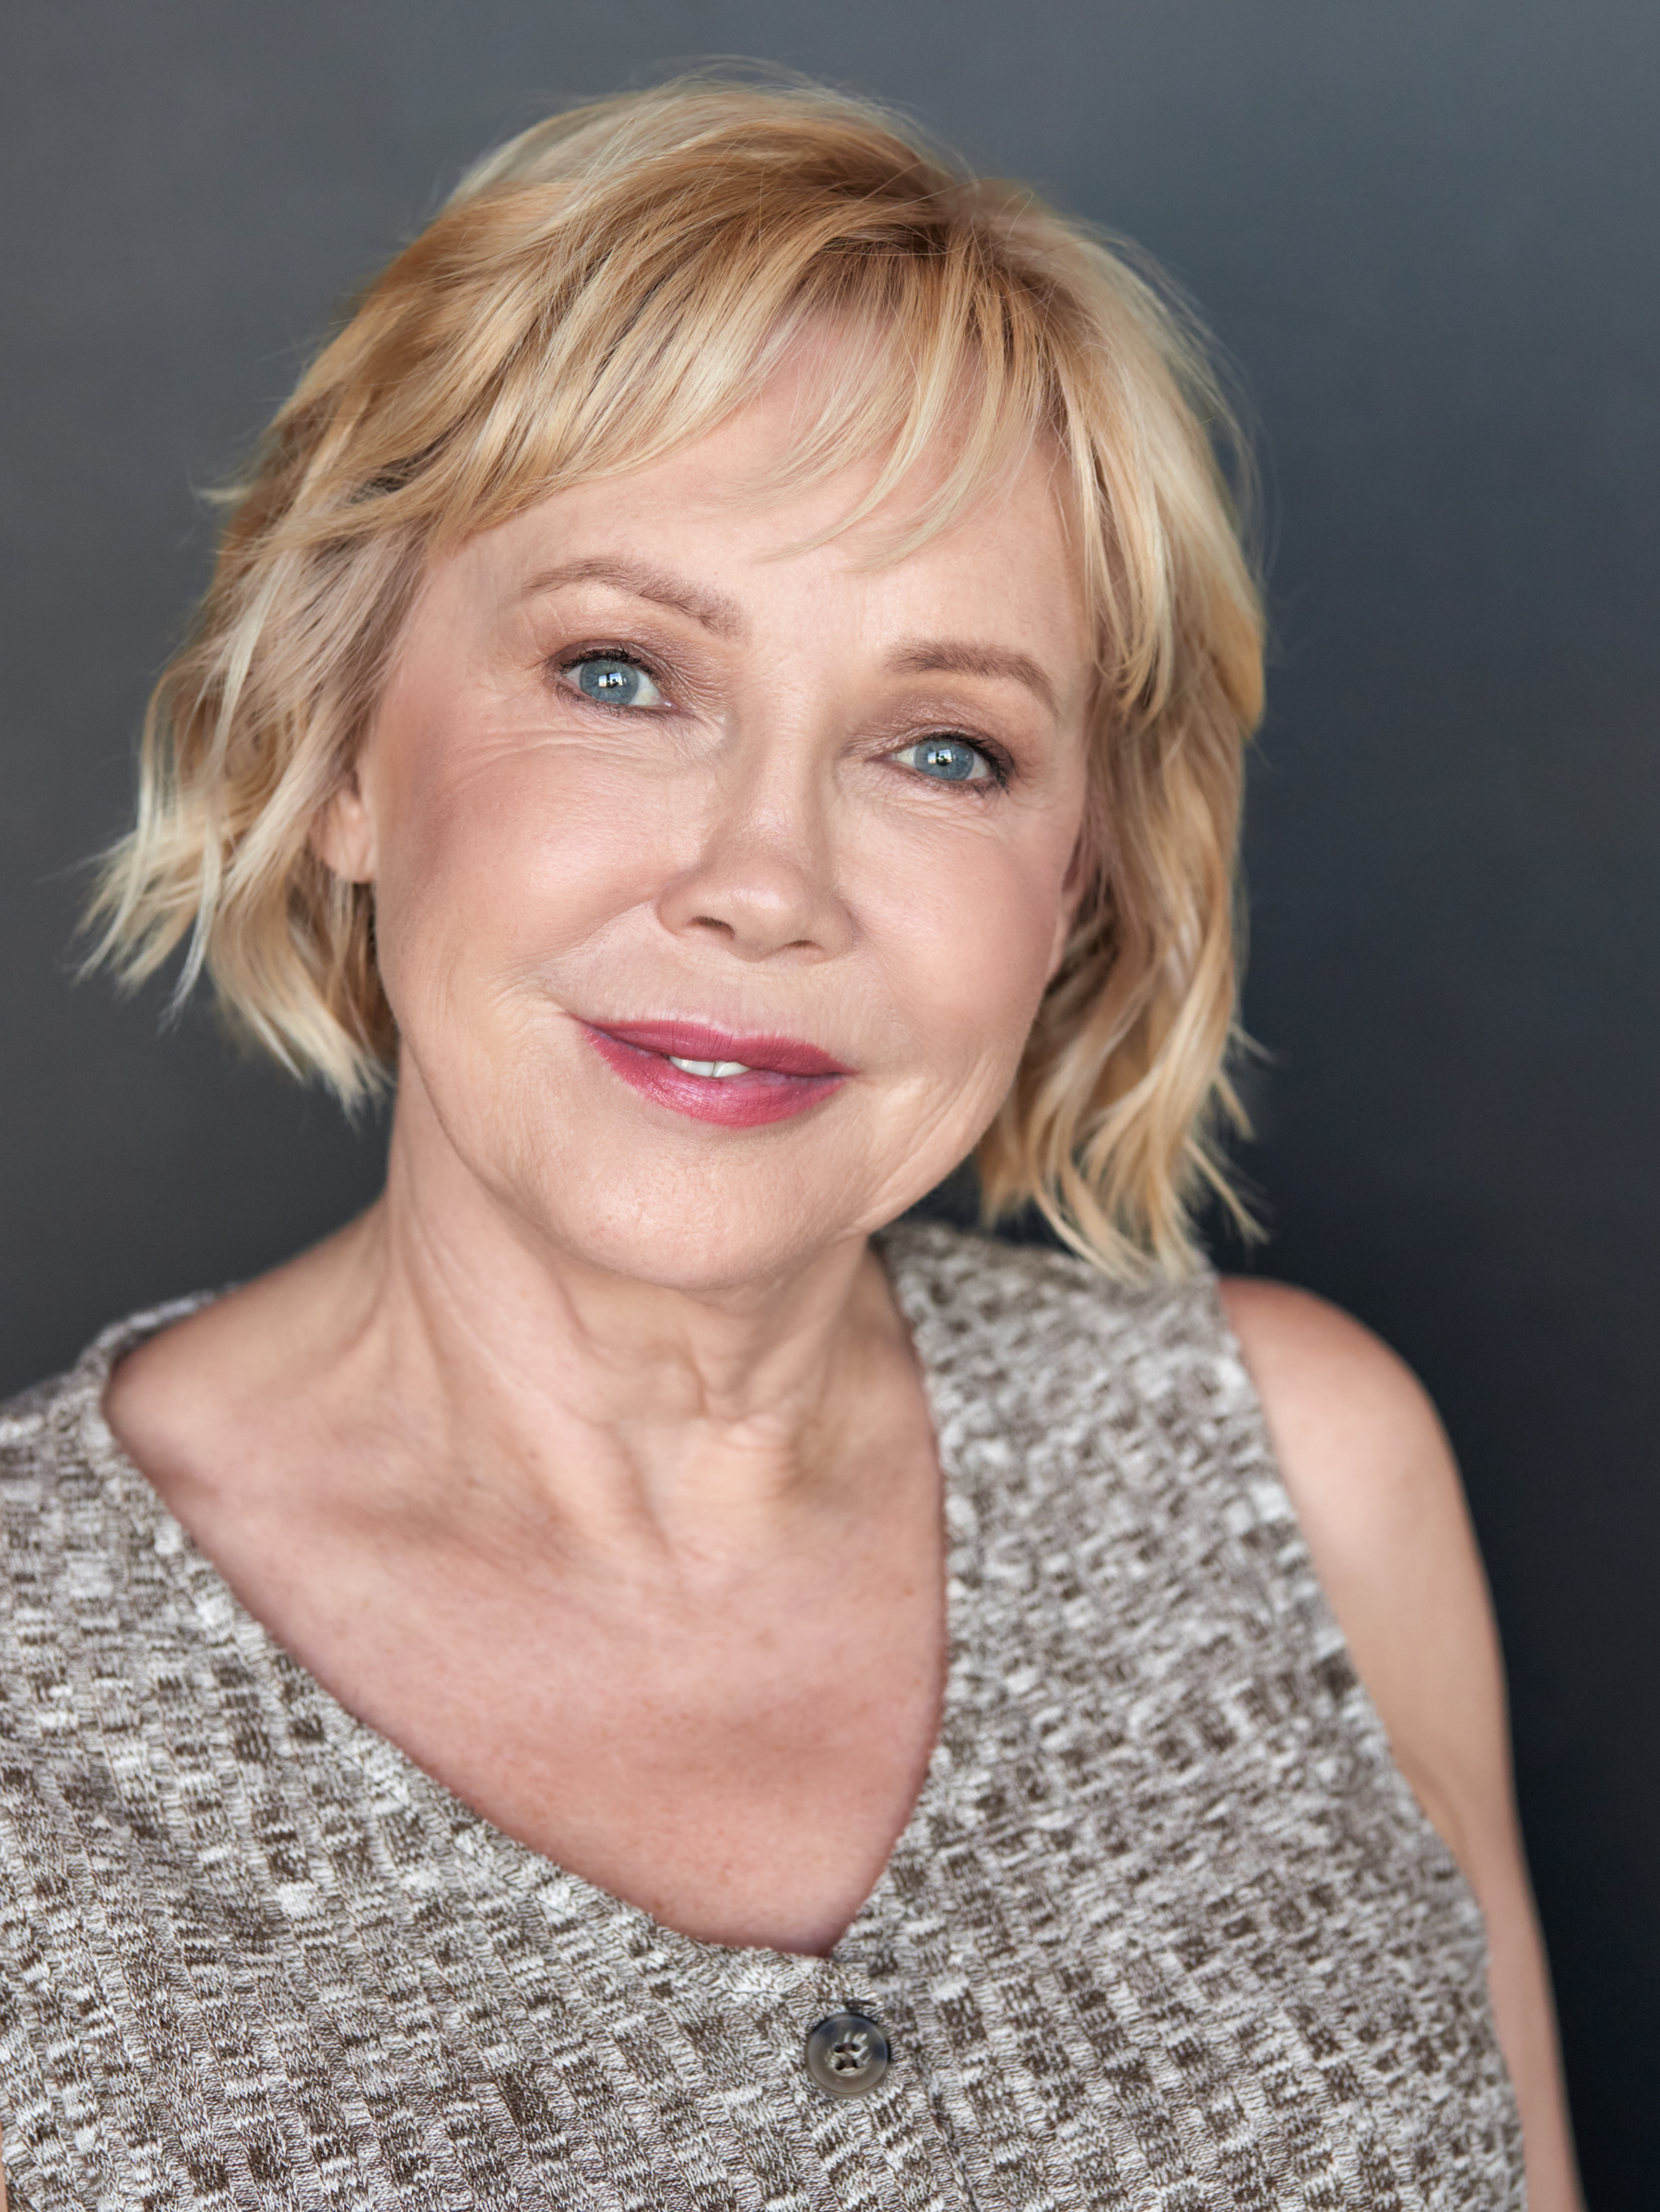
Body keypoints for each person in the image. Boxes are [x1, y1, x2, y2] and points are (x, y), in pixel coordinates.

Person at [0, 75, 1579, 2211]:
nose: (764, 883)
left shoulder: (1298, 1475)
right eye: (620, 673)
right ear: (340, 747)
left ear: (1081, 879)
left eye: (945, 748)